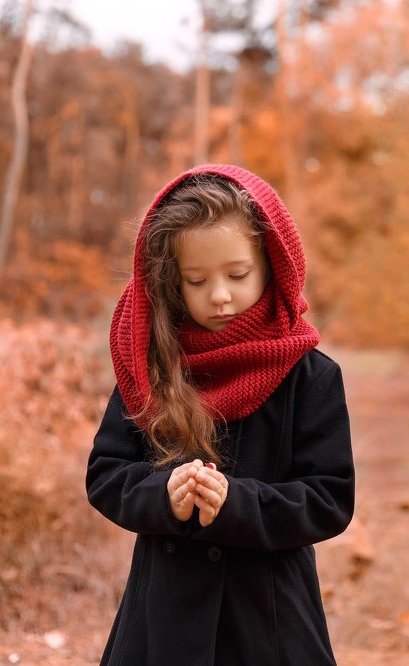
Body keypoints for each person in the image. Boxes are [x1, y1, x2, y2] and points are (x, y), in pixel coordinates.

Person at [86, 164, 354, 665]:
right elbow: (106, 475)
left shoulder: (310, 375)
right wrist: (162, 493)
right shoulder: (152, 367)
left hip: (270, 623)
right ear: (172, 282)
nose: (220, 295)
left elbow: (329, 498)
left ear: (272, 265)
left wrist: (238, 503)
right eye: (197, 279)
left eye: (237, 274)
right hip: (163, 621)